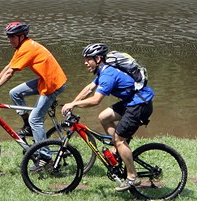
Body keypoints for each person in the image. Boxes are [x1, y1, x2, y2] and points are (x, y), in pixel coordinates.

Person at [61, 43, 154, 192]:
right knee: (104, 117)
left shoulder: (108, 75)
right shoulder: (104, 71)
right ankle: (118, 148)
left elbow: (95, 100)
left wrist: (75, 105)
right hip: (131, 102)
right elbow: (89, 88)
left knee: (120, 139)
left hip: (140, 105)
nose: (85, 63)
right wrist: (72, 103)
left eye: (88, 59)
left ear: (98, 59)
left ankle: (132, 177)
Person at [0, 22, 67, 172]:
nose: (9, 40)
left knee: (35, 119)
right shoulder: (22, 46)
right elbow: (9, 67)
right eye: (8, 37)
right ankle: (27, 127)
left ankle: (45, 158)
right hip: (45, 79)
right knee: (14, 93)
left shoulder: (27, 48)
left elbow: (10, 74)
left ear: (21, 36)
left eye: (12, 37)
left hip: (53, 83)